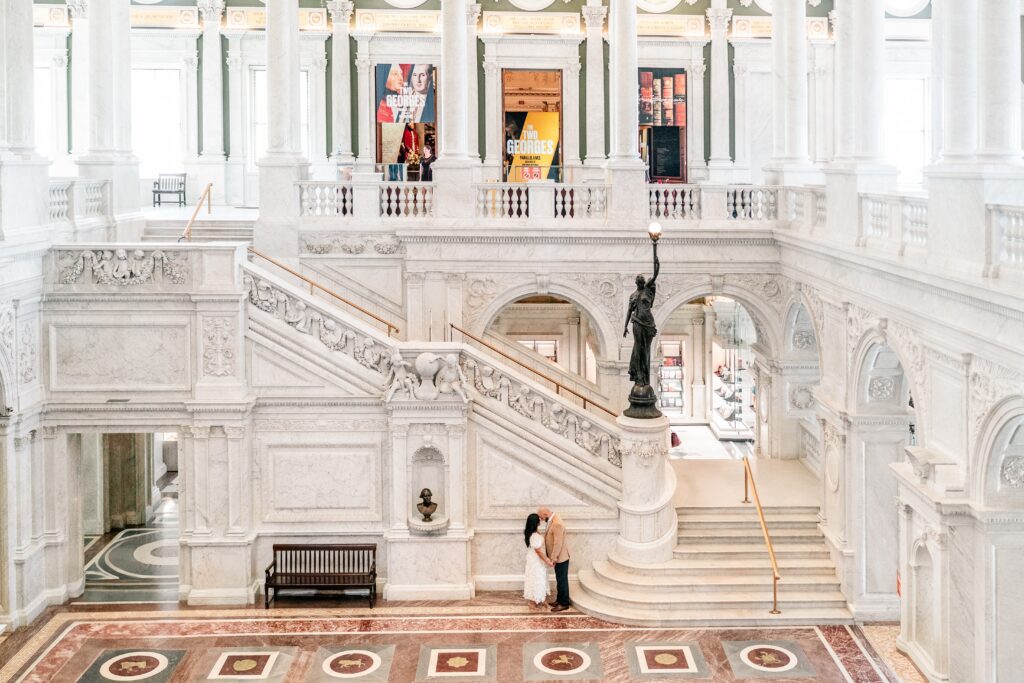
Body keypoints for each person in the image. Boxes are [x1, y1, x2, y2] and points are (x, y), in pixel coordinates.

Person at [539, 506, 571, 611]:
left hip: (560, 557)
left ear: (545, 514)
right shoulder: (553, 518)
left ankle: (564, 603)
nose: (541, 520)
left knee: (562, 580)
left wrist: (553, 558)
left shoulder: (556, 523)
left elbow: (558, 543)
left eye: (541, 517)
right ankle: (559, 599)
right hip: (558, 557)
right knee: (559, 579)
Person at [523, 513, 553, 608]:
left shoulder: (533, 532)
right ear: (535, 522)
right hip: (536, 560)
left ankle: (540, 598)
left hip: (534, 559)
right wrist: (548, 561)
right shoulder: (535, 535)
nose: (541, 519)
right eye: (539, 519)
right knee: (537, 578)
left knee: (539, 578)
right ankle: (534, 600)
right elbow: (539, 552)